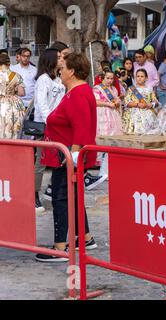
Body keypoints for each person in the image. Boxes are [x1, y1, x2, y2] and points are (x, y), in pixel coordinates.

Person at [37, 52, 98, 262]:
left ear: (71, 71)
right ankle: (85, 238)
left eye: (62, 68)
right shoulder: (75, 91)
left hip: (67, 157)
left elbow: (81, 128)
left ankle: (60, 247)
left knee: (61, 198)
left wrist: (72, 155)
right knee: (73, 197)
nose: (59, 71)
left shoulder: (79, 93)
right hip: (68, 155)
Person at [33, 49, 66, 213]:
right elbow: (42, 105)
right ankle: (34, 195)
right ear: (51, 60)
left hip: (57, 125)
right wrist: (50, 122)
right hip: (45, 126)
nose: (62, 59)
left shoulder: (60, 79)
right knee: (41, 162)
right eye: (59, 57)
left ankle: (52, 190)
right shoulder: (43, 80)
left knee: (58, 160)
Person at [88, 69, 124, 190]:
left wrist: (117, 102)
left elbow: (117, 99)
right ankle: (103, 170)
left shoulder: (113, 89)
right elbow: (95, 101)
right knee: (104, 140)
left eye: (111, 78)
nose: (109, 80)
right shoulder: (97, 89)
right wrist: (108, 104)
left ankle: (110, 169)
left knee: (113, 141)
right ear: (102, 78)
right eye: (107, 78)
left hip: (113, 115)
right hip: (102, 115)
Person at [123, 69, 161, 135]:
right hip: (134, 112)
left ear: (146, 78)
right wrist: (137, 104)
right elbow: (127, 102)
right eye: (138, 76)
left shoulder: (149, 88)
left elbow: (156, 101)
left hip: (148, 111)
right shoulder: (131, 88)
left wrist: (151, 104)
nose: (139, 78)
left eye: (142, 76)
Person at [0, 54, 26, 139]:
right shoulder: (16, 76)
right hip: (13, 104)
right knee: (12, 127)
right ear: (9, 64)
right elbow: (21, 93)